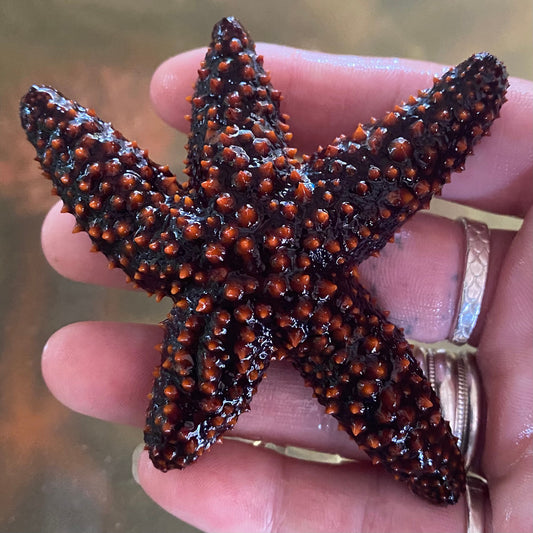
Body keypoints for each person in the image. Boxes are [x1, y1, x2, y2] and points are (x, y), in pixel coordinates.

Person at [40, 43, 532, 532]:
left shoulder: (210, 247)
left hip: (269, 297)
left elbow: (181, 423)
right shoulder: (323, 223)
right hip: (305, 297)